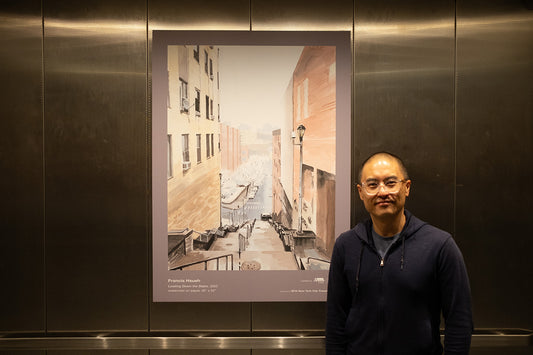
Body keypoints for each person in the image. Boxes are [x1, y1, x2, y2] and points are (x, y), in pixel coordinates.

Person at [326, 152, 473, 354]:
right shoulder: (346, 245)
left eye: (390, 182)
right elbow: (335, 322)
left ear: (407, 187)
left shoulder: (439, 245)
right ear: (361, 192)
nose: (382, 191)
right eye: (372, 185)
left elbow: (459, 321)